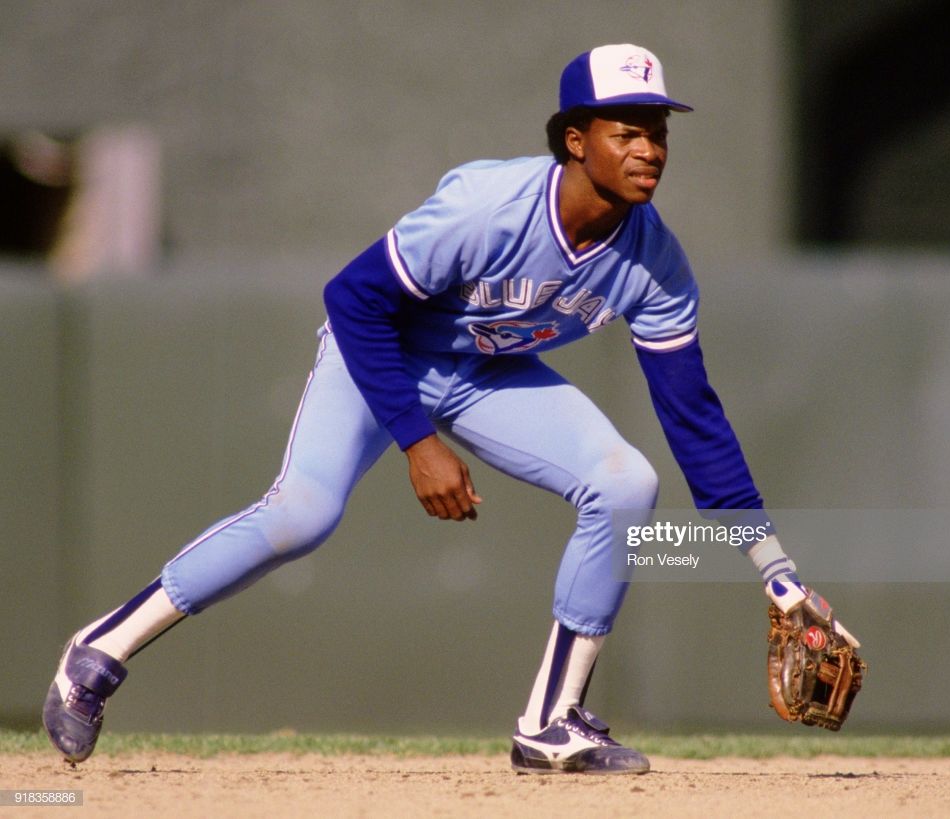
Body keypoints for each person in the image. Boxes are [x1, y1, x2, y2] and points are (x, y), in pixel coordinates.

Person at [43, 44, 806, 775]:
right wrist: (416, 439)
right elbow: (353, 297)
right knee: (301, 515)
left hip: (486, 370)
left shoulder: (655, 263)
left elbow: (692, 414)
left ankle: (552, 722)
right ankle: (99, 651)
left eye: (660, 131)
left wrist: (776, 573)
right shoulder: (487, 207)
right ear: (576, 140)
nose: (650, 149)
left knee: (624, 482)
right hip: (382, 350)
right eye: (627, 131)